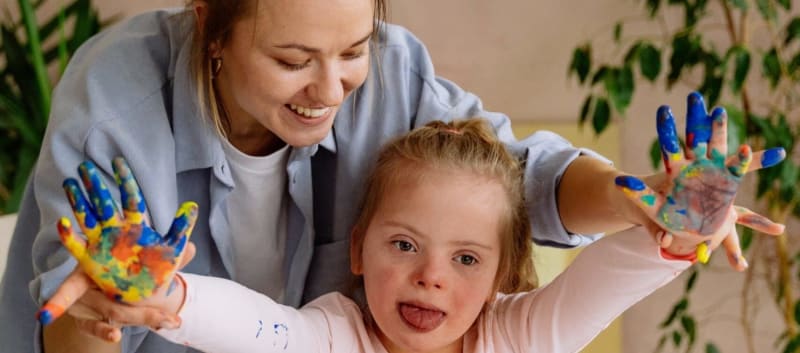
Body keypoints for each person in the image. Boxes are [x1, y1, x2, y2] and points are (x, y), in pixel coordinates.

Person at [0, 0, 784, 351]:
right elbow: (254, 329)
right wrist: (148, 294)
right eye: (291, 59)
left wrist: (664, 215)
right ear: (210, 21)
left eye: (352, 50)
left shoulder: (509, 331)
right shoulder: (116, 107)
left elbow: (516, 181)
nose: (332, 90)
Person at [41, 119, 778, 353]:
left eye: (465, 258)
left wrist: (672, 234)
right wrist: (167, 290)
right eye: (403, 245)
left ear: (502, 271)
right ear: (357, 249)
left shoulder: (512, 334)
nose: (431, 276)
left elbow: (598, 286)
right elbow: (255, 328)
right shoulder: (336, 335)